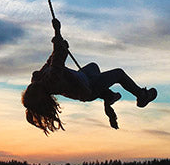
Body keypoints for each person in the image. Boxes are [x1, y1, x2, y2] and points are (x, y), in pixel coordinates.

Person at [21, 18, 157, 134]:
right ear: (40, 94)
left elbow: (51, 61)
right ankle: (141, 96)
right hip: (87, 89)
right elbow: (57, 61)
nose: (31, 87)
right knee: (119, 74)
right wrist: (57, 32)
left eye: (29, 90)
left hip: (81, 77)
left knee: (93, 66)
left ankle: (108, 96)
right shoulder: (52, 82)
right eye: (32, 91)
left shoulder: (37, 80)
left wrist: (61, 46)